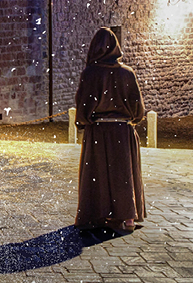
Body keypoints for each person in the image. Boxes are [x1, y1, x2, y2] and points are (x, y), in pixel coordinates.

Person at [74, 27, 146, 233]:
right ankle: (128, 217)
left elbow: (83, 105)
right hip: (123, 131)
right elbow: (138, 109)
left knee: (98, 173)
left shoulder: (91, 73)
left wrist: (83, 122)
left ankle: (99, 213)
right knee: (123, 173)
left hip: (98, 131)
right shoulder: (127, 73)